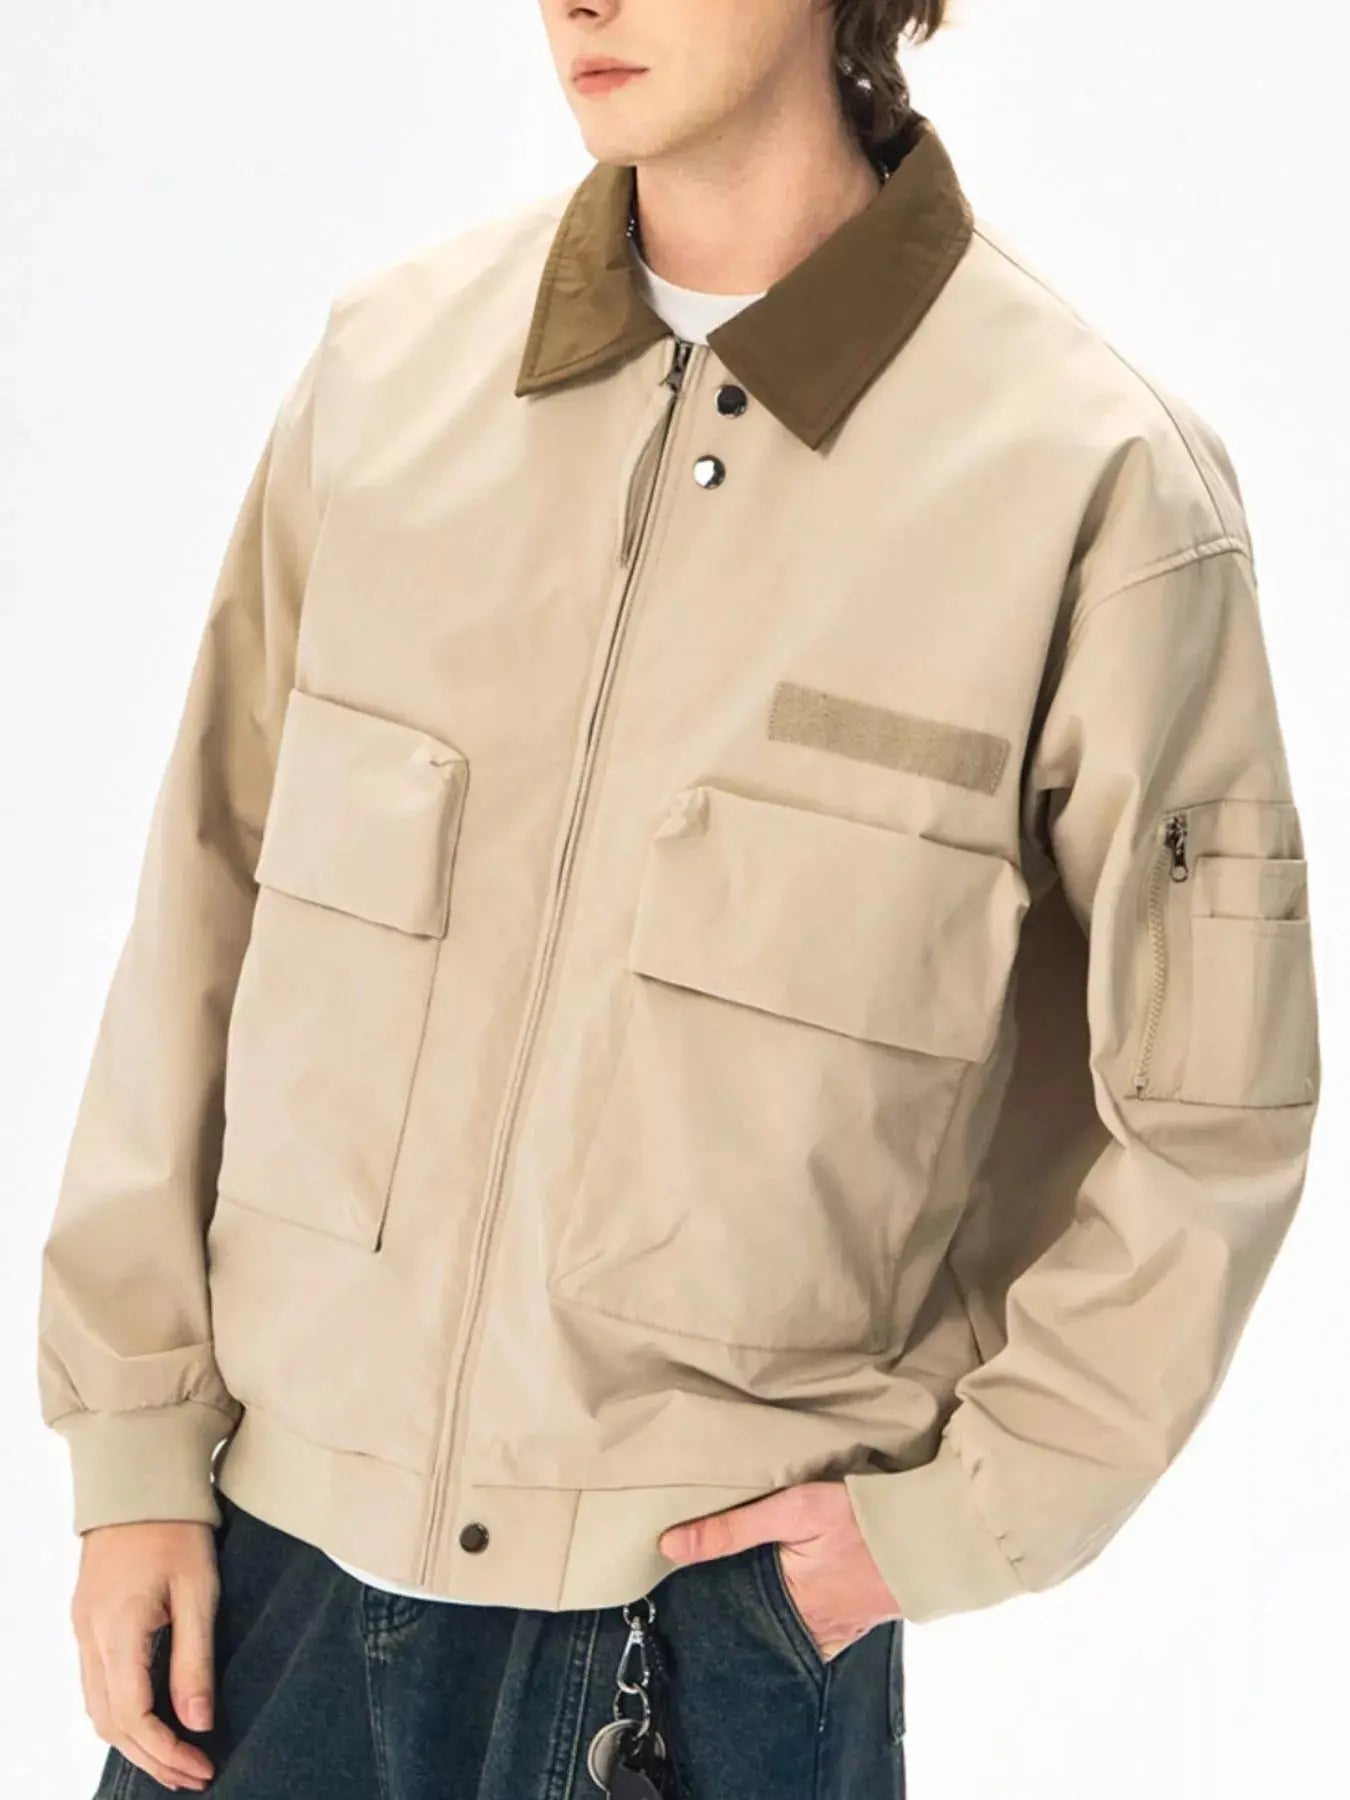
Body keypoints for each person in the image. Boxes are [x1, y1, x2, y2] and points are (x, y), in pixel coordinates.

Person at [39, 1, 1322, 1796]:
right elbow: (202, 907)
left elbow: (1212, 1105)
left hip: (704, 1624)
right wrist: (133, 1451)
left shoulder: (1084, 479)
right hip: (270, 1590)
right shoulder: (389, 374)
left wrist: (970, 1513)